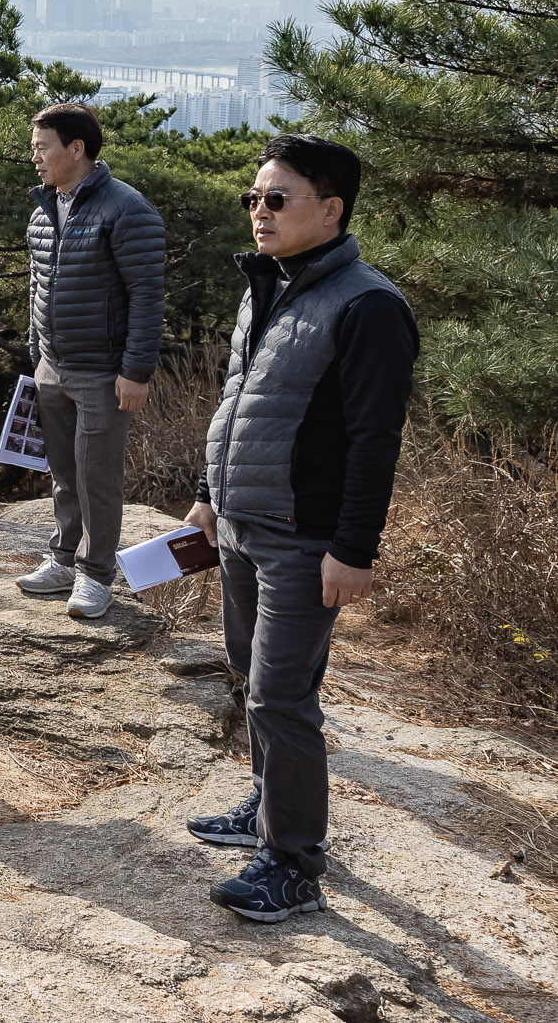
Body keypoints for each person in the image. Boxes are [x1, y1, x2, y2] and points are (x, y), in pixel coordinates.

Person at [182, 135, 418, 923]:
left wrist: (354, 549)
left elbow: (374, 438)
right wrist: (209, 494)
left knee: (282, 696)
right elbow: (236, 399)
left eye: (275, 199)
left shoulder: (368, 305)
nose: (259, 211)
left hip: (303, 535)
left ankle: (292, 864)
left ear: (331, 208)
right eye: (252, 198)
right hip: (243, 523)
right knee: (253, 677)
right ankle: (265, 806)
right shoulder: (267, 285)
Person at [18, 101, 167, 619]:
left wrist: (136, 370)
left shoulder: (127, 209)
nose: (33, 156)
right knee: (62, 470)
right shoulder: (42, 208)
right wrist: (36, 353)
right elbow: (36, 285)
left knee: (96, 475)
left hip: (104, 370)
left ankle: (96, 574)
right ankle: (63, 556)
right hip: (52, 365)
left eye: (42, 147)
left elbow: (148, 295)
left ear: (75, 149)